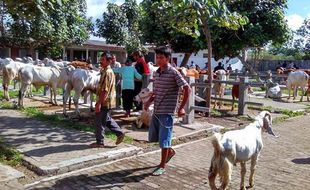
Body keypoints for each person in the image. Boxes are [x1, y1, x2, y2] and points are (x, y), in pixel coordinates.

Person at [144, 46, 191, 176]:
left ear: (168, 58)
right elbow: (156, 92)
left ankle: (162, 165)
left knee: (164, 139)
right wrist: (149, 101)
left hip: (168, 111)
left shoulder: (174, 72)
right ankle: (169, 152)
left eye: (161, 57)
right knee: (158, 138)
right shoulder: (156, 72)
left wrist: (181, 108)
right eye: (157, 57)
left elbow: (187, 89)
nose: (158, 60)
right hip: (157, 110)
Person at [90, 52, 125, 148]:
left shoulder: (108, 72)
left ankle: (99, 142)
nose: (101, 61)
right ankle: (119, 133)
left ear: (109, 61)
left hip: (105, 101)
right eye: (100, 59)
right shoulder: (104, 71)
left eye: (103, 60)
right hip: (106, 101)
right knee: (106, 119)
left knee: (99, 122)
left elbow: (105, 90)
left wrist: (99, 103)